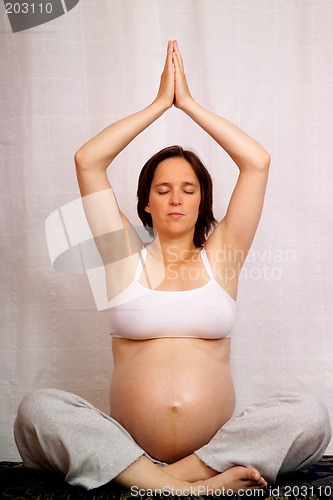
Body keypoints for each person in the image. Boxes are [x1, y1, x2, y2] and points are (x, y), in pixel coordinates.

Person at [14, 41, 331, 495]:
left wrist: (190, 105)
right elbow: (89, 160)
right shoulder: (123, 256)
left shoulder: (223, 256)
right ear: (145, 201)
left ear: (203, 200)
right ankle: (183, 486)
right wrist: (159, 105)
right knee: (37, 410)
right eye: (163, 189)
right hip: (128, 443)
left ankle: (164, 480)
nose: (176, 198)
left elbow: (256, 162)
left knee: (310, 416)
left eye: (188, 188)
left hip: (216, 445)